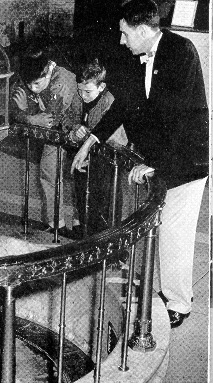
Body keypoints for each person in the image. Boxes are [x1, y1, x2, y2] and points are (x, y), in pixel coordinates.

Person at [71, 0, 208, 328]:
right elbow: (122, 107)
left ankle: (179, 303)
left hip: (187, 159)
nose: (122, 40)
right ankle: (168, 294)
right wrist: (91, 141)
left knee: (175, 230)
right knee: (161, 228)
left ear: (145, 31)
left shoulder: (181, 51)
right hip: (160, 157)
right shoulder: (134, 58)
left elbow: (182, 118)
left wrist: (159, 167)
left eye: (125, 33)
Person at [10, 47, 77, 237]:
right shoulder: (30, 75)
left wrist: (27, 114)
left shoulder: (62, 79)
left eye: (37, 84)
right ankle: (57, 224)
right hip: (56, 136)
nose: (32, 88)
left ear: (47, 71)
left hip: (78, 130)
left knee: (79, 180)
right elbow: (12, 106)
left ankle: (81, 225)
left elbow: (49, 120)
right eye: (29, 85)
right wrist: (29, 118)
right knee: (49, 173)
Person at [62, 58, 126, 238]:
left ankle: (109, 243)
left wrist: (90, 135)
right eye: (80, 90)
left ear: (101, 86)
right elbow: (67, 118)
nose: (83, 96)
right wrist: (74, 128)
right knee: (83, 200)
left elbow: (117, 136)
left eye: (88, 91)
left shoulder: (109, 102)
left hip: (105, 164)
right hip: (82, 160)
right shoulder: (78, 97)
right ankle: (87, 238)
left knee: (105, 204)